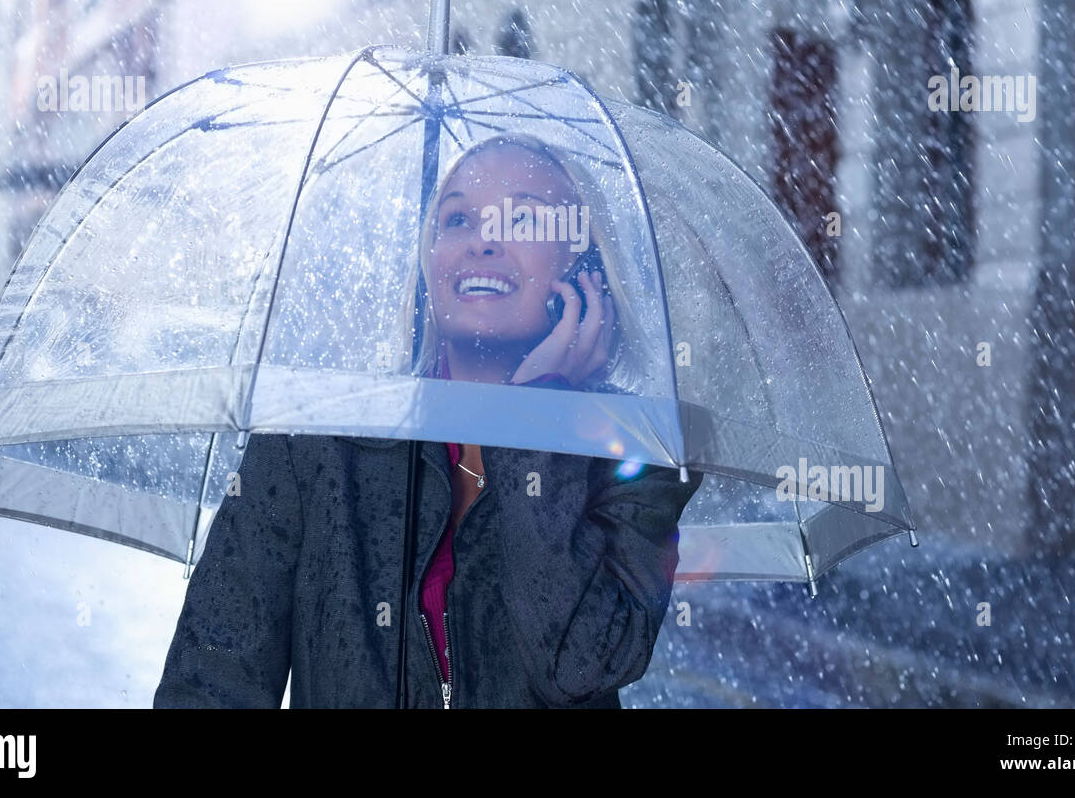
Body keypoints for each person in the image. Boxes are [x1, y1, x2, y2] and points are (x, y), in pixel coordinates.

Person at [154, 133, 702, 708]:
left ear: (584, 270)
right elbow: (211, 683)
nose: (481, 243)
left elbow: (581, 664)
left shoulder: (639, 456)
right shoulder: (315, 440)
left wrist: (540, 415)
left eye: (524, 220)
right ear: (430, 259)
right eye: (458, 218)